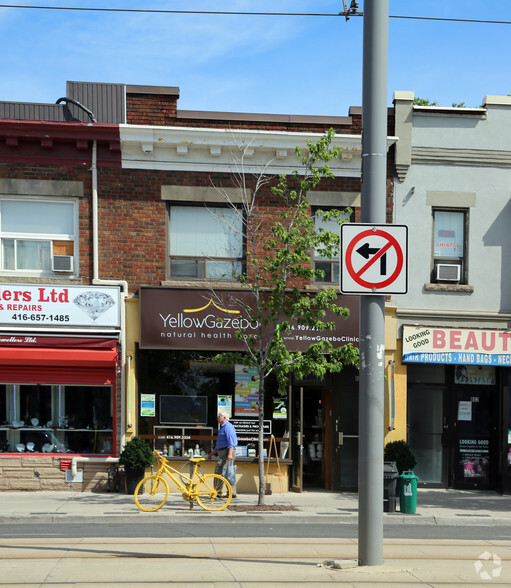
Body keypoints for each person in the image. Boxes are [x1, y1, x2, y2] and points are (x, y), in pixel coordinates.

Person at [208, 411, 238, 497]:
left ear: (224, 418)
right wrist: (212, 454)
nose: (217, 418)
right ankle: (228, 492)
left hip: (227, 451)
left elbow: (231, 442)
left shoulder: (228, 427)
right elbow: (219, 445)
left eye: (219, 416)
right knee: (226, 471)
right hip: (223, 451)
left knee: (225, 471)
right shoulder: (222, 427)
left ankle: (219, 492)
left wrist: (230, 454)